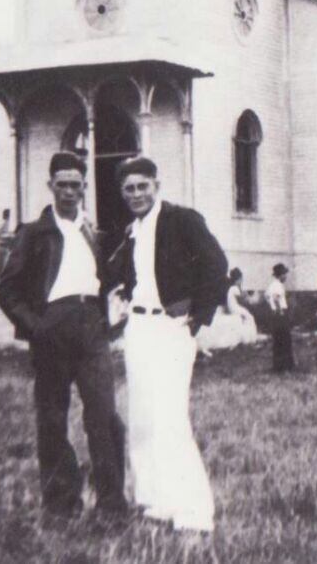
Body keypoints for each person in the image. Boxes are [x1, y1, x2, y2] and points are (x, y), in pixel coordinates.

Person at [0, 152, 128, 526]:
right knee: (52, 418)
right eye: (62, 184)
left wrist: (108, 319)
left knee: (104, 415)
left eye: (75, 185)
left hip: (91, 327)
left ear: (85, 187)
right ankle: (61, 503)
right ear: (50, 186)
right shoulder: (34, 233)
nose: (69, 191)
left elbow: (107, 282)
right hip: (51, 326)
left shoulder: (92, 232)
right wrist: (36, 327)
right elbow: (5, 288)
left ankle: (112, 504)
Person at [106, 156, 228, 534]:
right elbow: (128, 275)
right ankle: (155, 503)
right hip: (138, 328)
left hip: (171, 328)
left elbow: (216, 266)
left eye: (143, 186)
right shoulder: (131, 231)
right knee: (143, 419)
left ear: (156, 185)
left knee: (170, 418)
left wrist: (199, 316)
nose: (136, 194)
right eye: (129, 189)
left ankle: (193, 514)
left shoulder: (182, 220)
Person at [195, 268, 259, 354]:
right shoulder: (234, 288)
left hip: (232, 306)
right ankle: (249, 339)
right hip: (234, 307)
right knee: (249, 317)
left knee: (247, 316)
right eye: (240, 279)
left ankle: (247, 339)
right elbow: (242, 298)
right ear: (238, 279)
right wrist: (249, 294)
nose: (241, 281)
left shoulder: (230, 287)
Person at [264, 263, 294, 373]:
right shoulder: (278, 286)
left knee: (278, 341)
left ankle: (278, 366)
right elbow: (276, 298)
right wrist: (279, 310)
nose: (285, 276)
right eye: (284, 274)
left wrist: (272, 307)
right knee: (285, 340)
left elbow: (267, 297)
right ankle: (285, 366)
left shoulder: (271, 286)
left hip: (275, 315)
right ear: (280, 275)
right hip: (280, 314)